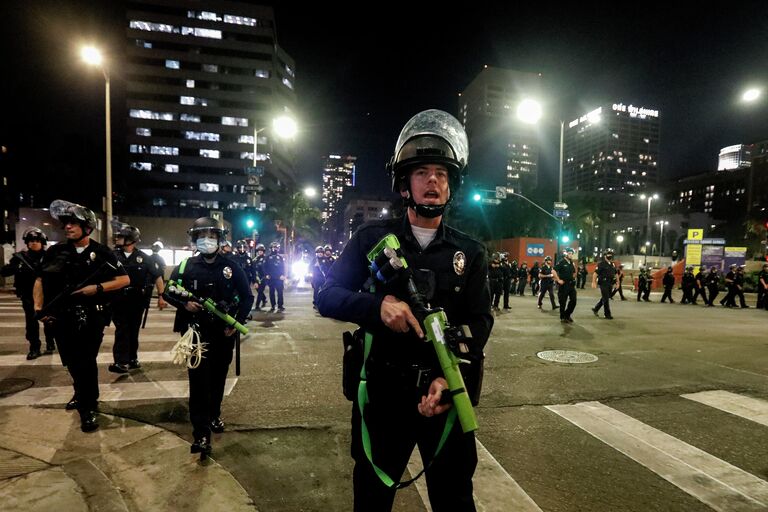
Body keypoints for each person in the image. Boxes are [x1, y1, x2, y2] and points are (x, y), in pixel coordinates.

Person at [317, 109, 493, 511]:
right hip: (385, 395)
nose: (433, 180)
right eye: (422, 172)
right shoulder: (370, 239)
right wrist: (376, 306)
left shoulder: (471, 251)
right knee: (372, 500)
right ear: (403, 184)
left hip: (445, 393)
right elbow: (326, 294)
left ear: (451, 186)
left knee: (454, 499)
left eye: (442, 173)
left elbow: (480, 321)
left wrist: (449, 381)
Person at [33, 200, 129, 432]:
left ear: (87, 227)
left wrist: (96, 289)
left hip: (90, 318)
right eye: (66, 223)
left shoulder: (101, 252)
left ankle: (88, 406)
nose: (68, 227)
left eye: (74, 224)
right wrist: (39, 309)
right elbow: (39, 281)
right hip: (60, 317)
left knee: (85, 361)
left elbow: (124, 279)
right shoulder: (55, 251)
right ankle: (80, 392)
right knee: (71, 361)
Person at [163, 217, 253, 457]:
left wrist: (237, 322)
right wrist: (185, 304)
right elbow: (168, 292)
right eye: (201, 236)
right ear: (194, 240)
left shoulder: (232, 267)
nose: (206, 241)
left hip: (223, 334)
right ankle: (201, 433)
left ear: (219, 240)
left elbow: (247, 297)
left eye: (212, 236)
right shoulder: (185, 266)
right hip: (195, 334)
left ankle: (214, 414)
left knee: (218, 379)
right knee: (199, 381)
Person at [109, 225, 166, 374]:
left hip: (137, 301)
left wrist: (161, 296)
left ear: (131, 240)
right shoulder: (112, 256)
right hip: (118, 299)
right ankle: (121, 361)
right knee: (122, 329)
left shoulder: (144, 258)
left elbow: (157, 276)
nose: (117, 239)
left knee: (133, 330)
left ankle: (132, 359)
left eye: (121, 237)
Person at [1, 227, 56, 359]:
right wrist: (15, 267)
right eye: (30, 241)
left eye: (36, 240)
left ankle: (50, 341)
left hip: (47, 295)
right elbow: (4, 272)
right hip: (27, 295)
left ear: (42, 241)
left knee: (49, 320)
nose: (33, 243)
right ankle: (34, 347)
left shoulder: (50, 256)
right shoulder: (20, 258)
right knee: (31, 323)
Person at [591, 248, 617, 319]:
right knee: (606, 298)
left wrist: (617, 282)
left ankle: (596, 308)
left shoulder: (612, 264)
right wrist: (593, 282)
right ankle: (607, 314)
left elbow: (615, 273)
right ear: (605, 255)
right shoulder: (601, 264)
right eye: (608, 254)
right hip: (603, 283)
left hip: (610, 283)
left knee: (606, 297)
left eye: (611, 254)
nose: (610, 255)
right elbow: (595, 273)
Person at [554, 248, 577, 323]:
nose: (571, 255)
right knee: (563, 302)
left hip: (571, 285)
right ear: (565, 254)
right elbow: (553, 270)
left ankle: (567, 315)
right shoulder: (561, 262)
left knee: (573, 300)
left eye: (571, 253)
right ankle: (562, 317)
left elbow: (574, 272)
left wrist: (573, 277)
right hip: (564, 285)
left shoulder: (571, 262)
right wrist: (558, 280)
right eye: (569, 253)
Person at [263, 241, 286, 312]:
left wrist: (283, 275)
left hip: (279, 278)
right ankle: (273, 305)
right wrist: (266, 274)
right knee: (271, 292)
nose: (275, 249)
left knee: (280, 292)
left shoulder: (280, 257)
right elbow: (264, 267)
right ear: (270, 248)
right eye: (273, 247)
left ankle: (280, 305)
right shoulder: (267, 257)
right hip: (271, 278)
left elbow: (283, 267)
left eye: (276, 247)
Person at [252, 243, 268, 310]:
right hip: (256, 278)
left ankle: (257, 305)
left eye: (261, 251)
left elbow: (268, 268)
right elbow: (253, 269)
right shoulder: (254, 260)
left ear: (263, 251)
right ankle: (264, 299)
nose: (260, 252)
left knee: (260, 291)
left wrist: (267, 275)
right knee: (259, 291)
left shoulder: (266, 259)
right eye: (259, 251)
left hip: (263, 278)